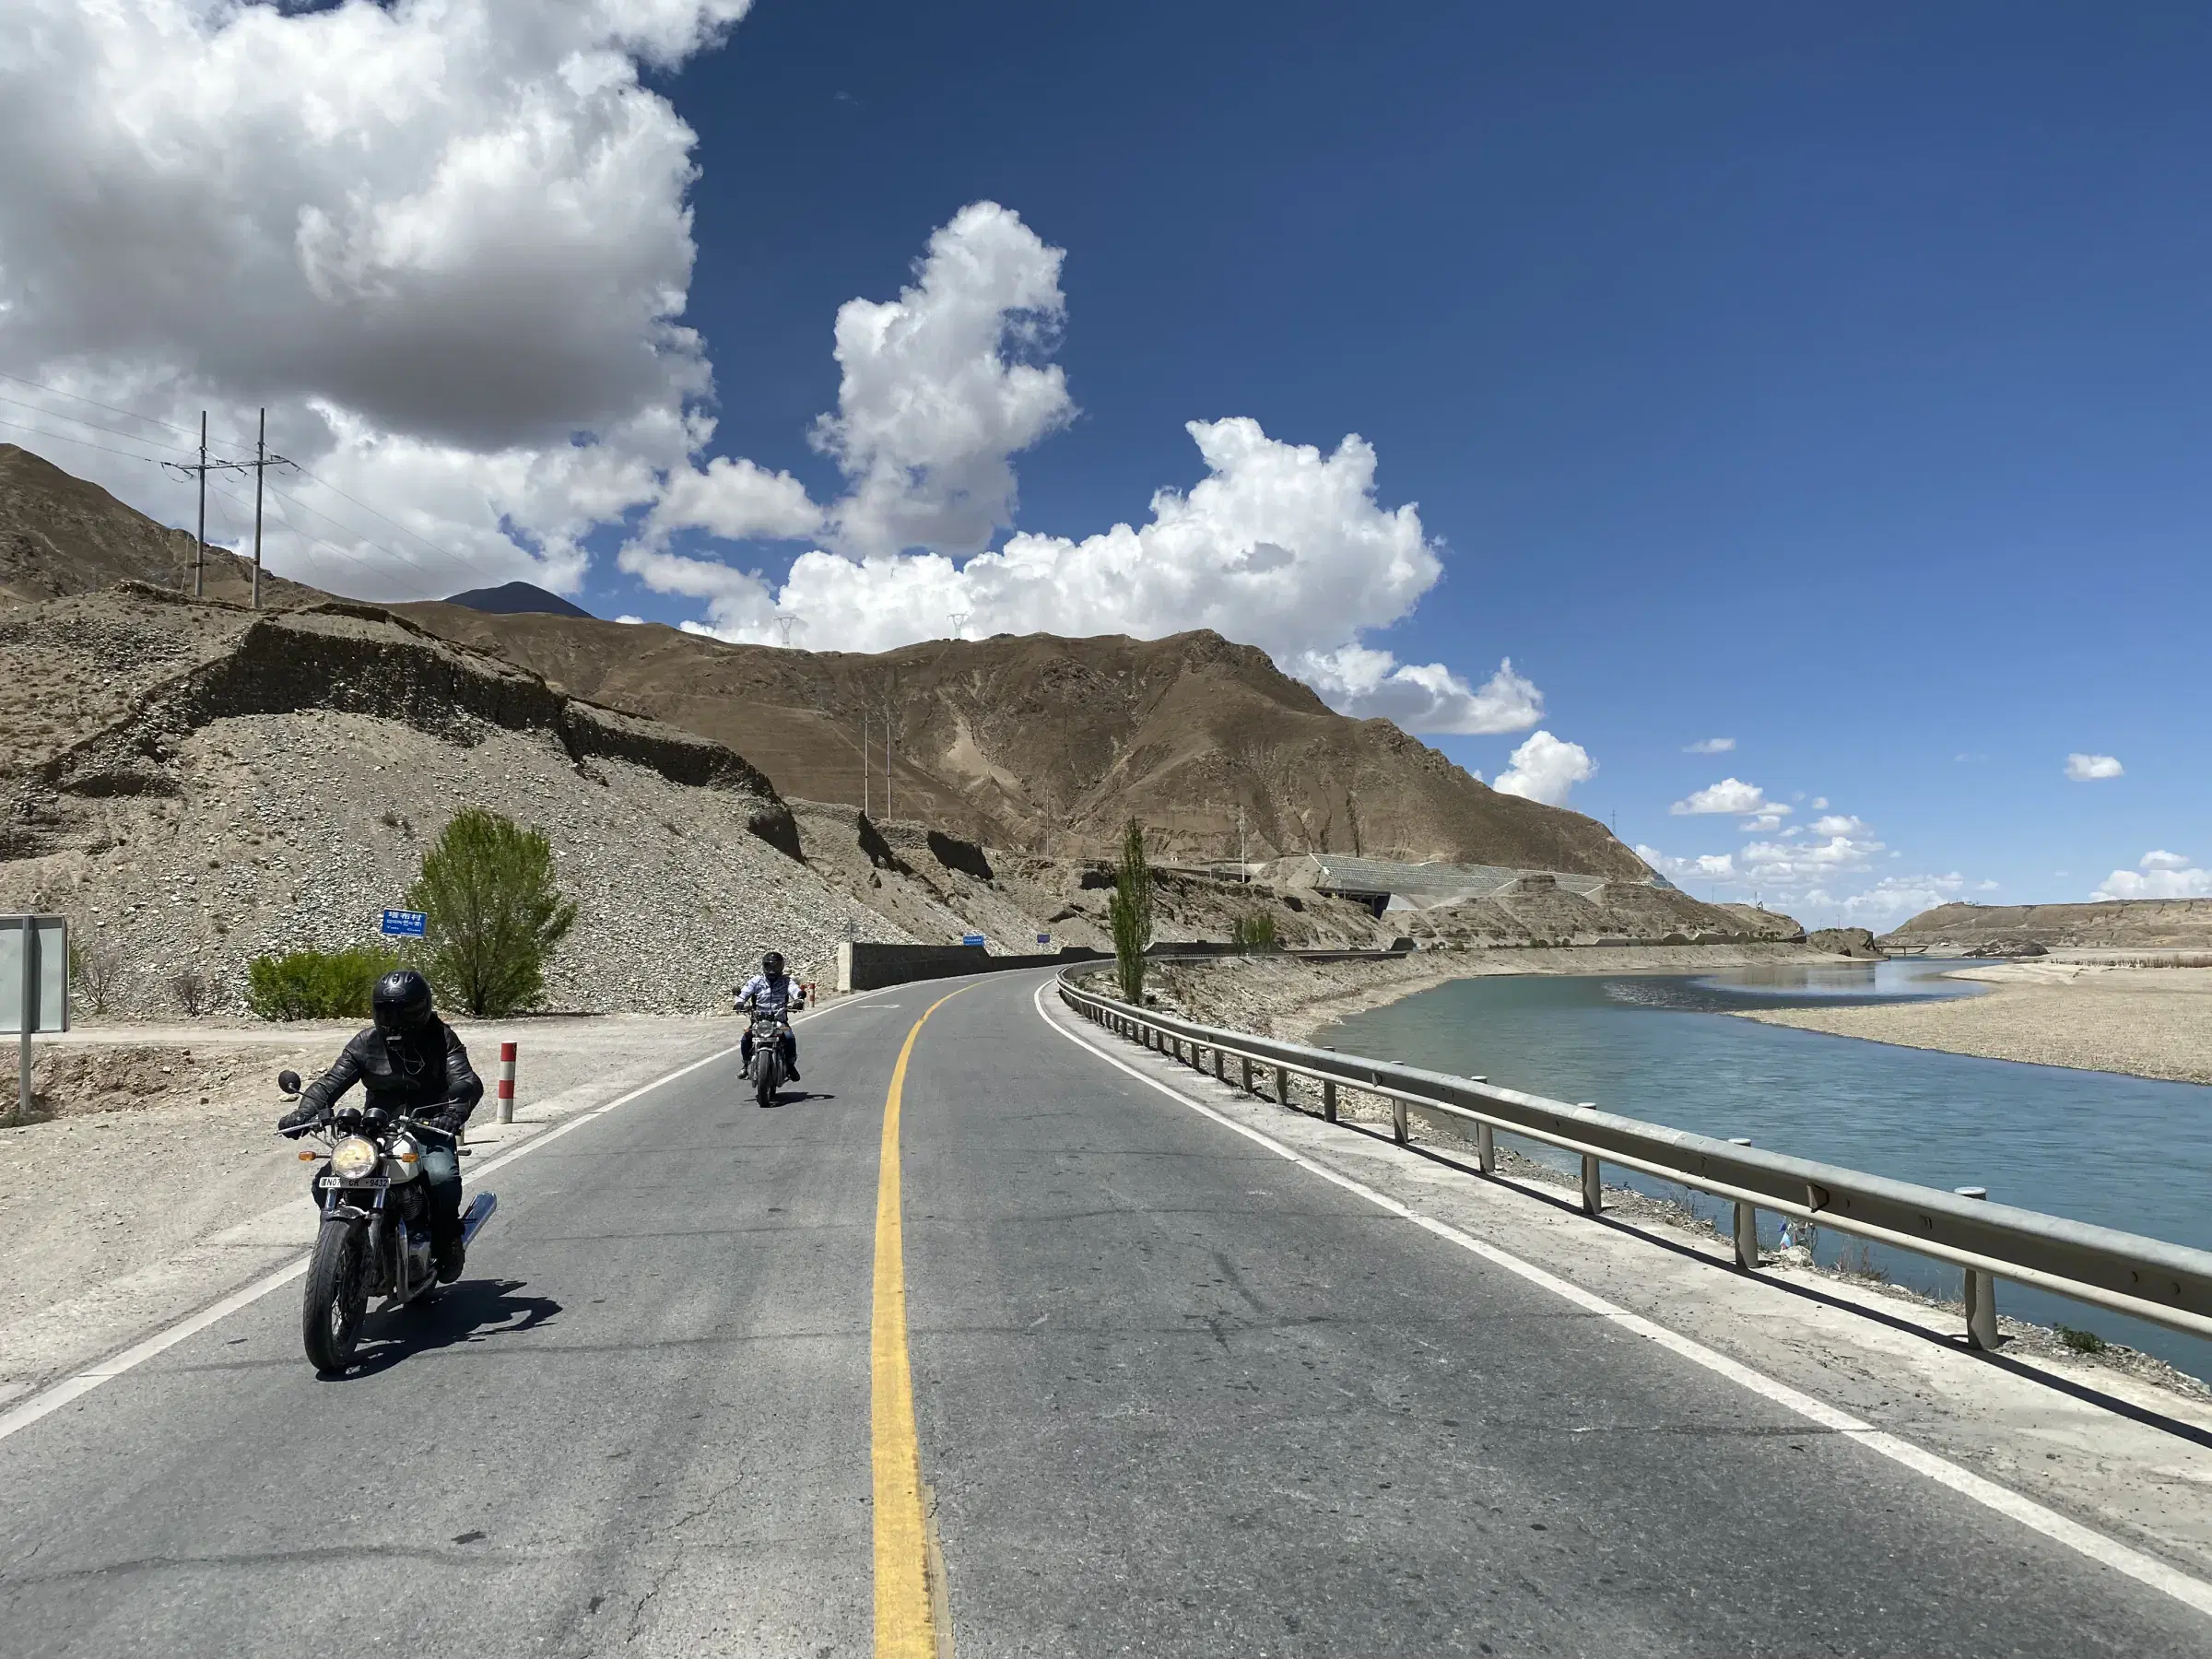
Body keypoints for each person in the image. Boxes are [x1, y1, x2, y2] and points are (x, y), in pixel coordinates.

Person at [277, 968, 482, 1282]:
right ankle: (342, 1249)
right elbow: (330, 1083)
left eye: (405, 1011)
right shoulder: (365, 1042)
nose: (395, 1020)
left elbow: (466, 1080)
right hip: (376, 1127)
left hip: (430, 1123)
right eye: (387, 1011)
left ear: (423, 1008)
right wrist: (303, 1113)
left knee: (442, 1176)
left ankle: (447, 1239)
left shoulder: (441, 1038)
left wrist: (453, 1114)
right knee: (326, 1181)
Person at [735, 950, 804, 1081]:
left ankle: (790, 1066)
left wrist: (798, 1001)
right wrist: (739, 1003)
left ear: (781, 967)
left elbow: (795, 991)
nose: (772, 969)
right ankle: (746, 1064)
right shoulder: (757, 981)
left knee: (789, 1037)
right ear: (764, 966)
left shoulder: (786, 981)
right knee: (746, 1037)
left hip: (779, 1021)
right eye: (769, 966)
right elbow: (744, 992)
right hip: (759, 1021)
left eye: (775, 966)